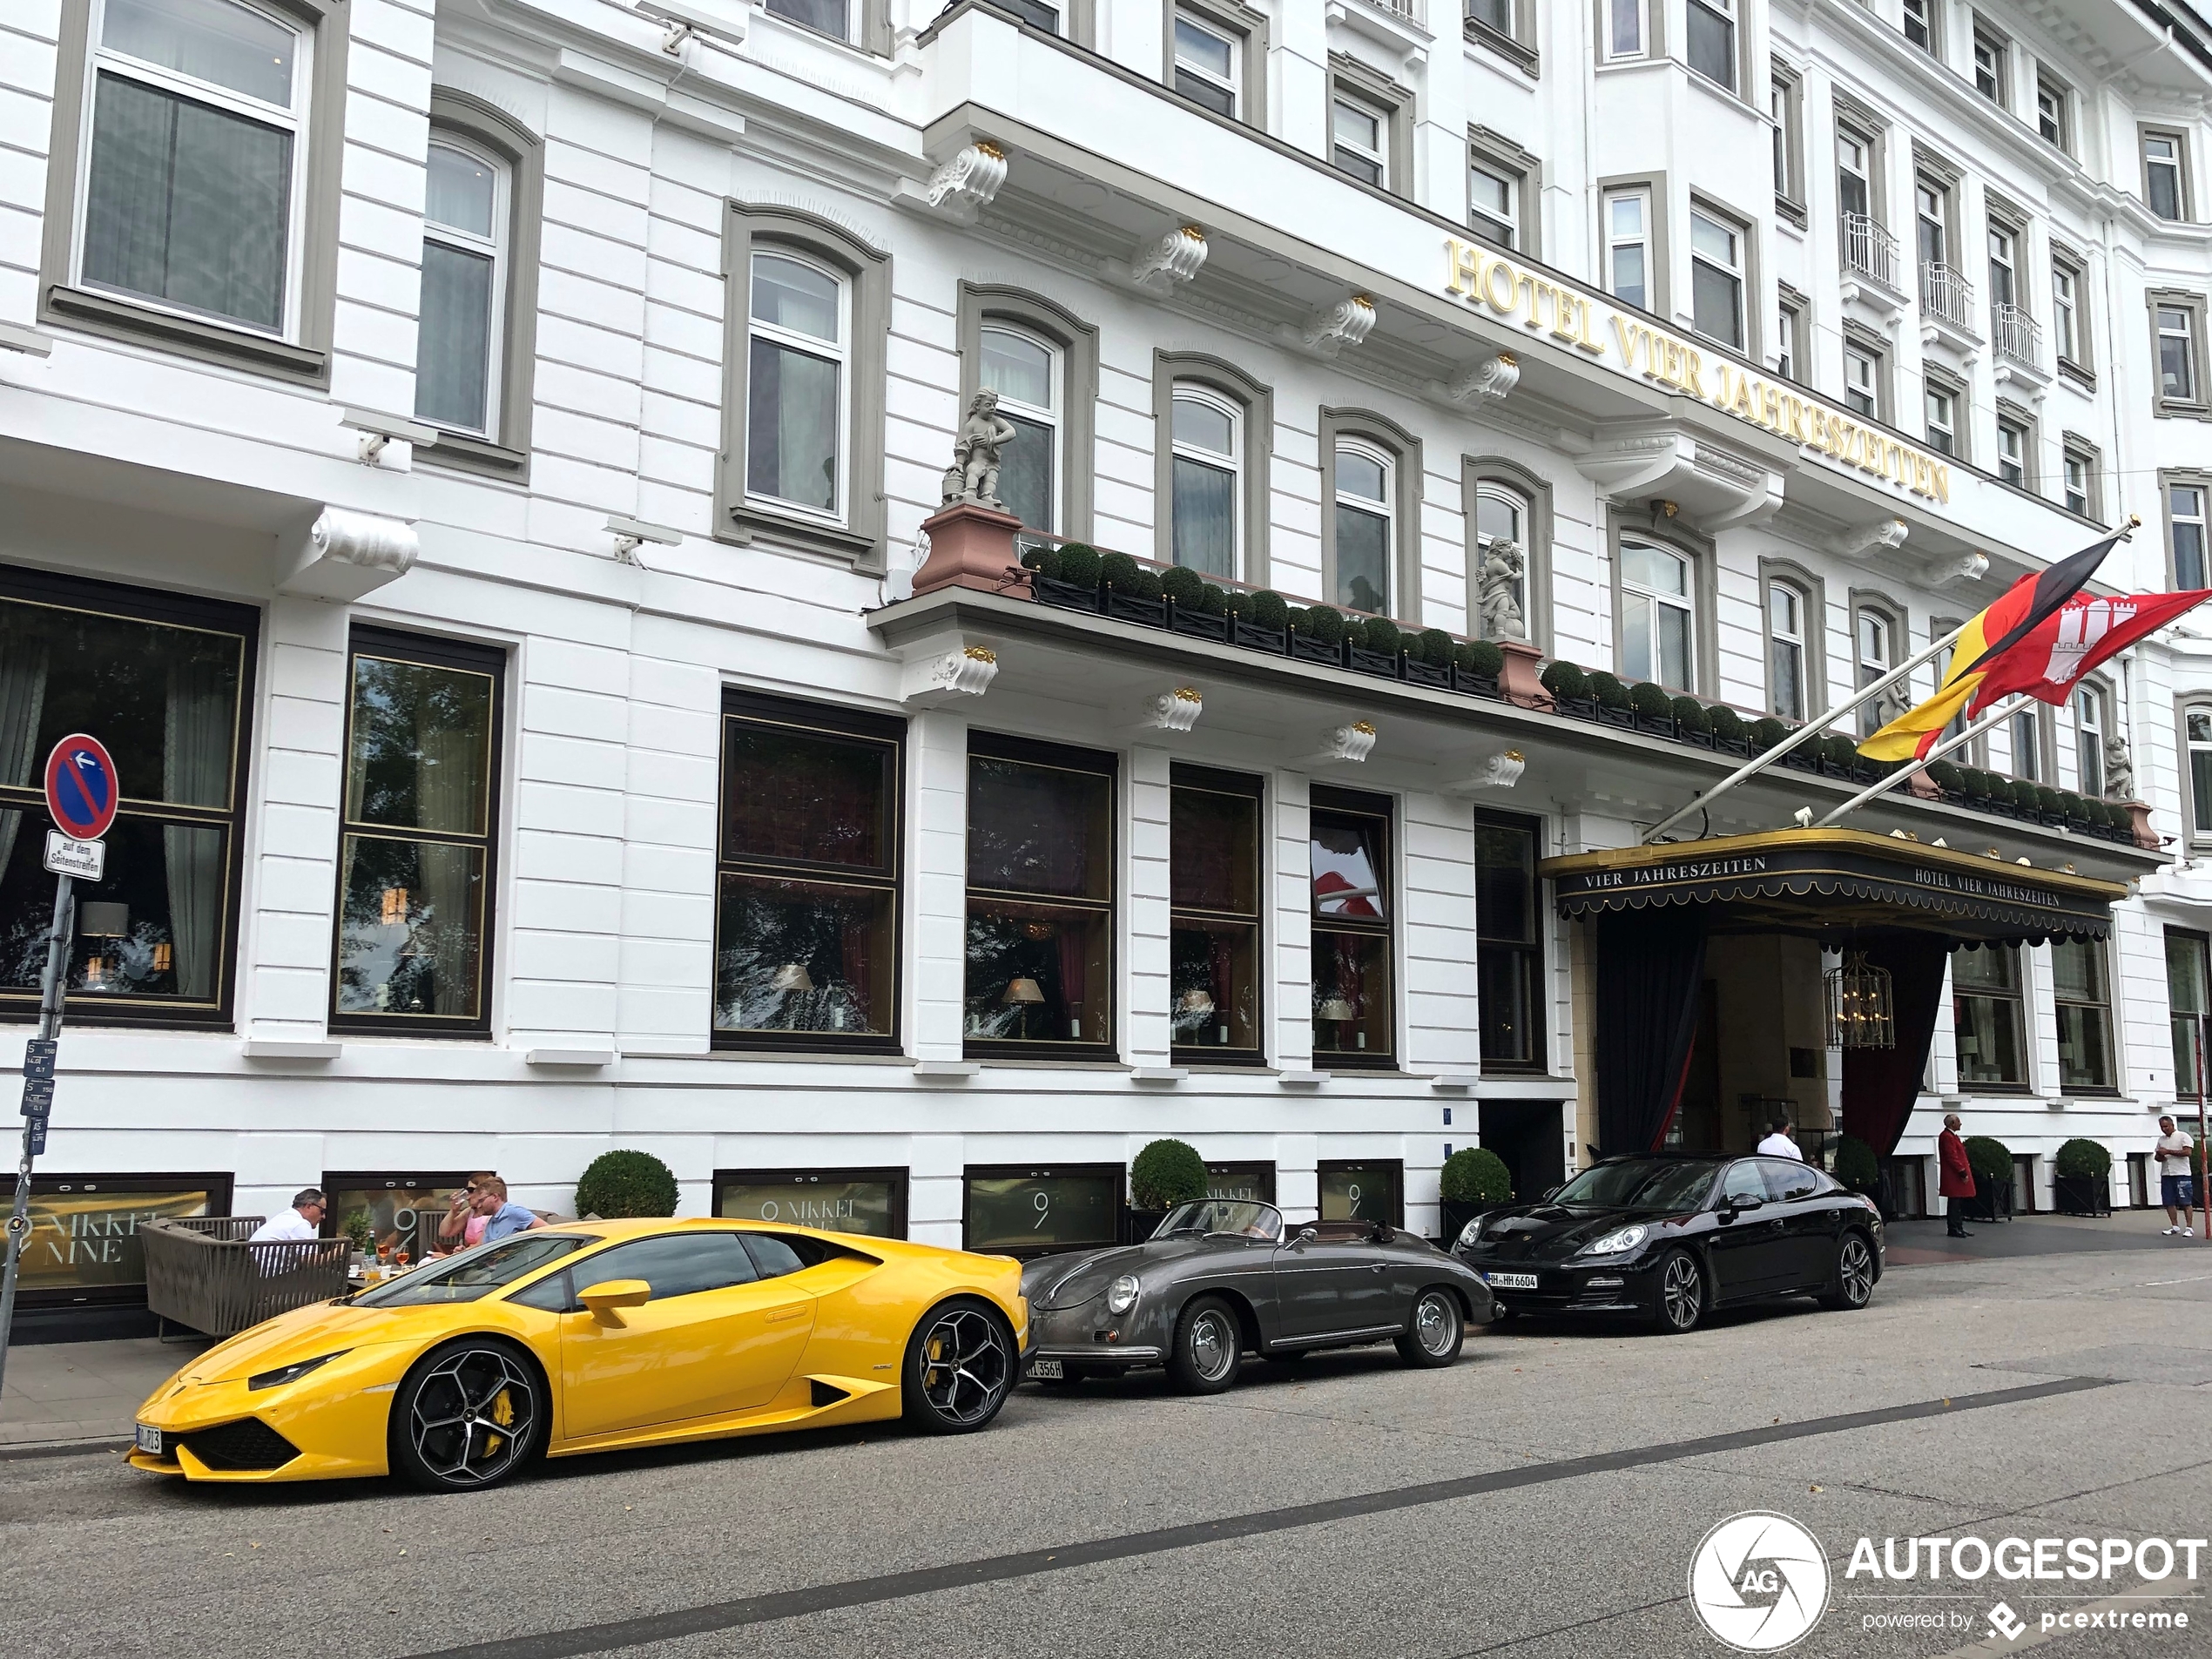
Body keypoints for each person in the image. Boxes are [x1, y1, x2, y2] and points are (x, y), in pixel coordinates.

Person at [436, 1173, 499, 1254]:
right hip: (469, 1255)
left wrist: (452, 1257)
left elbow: (481, 1244)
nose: (467, 1196)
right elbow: (444, 1232)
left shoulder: (490, 1214)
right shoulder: (470, 1211)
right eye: (467, 1191)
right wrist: (453, 1211)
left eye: (471, 1190)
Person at [471, 1177, 547, 1244]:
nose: (479, 1206)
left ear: (495, 1197)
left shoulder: (513, 1212)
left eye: (481, 1201)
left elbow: (549, 1231)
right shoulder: (492, 1221)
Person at [2156, 1116, 2197, 1238]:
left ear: (2172, 1125)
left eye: (2166, 1126)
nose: (2164, 1129)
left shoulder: (2183, 1136)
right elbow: (2158, 1156)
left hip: (2181, 1173)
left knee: (2185, 1201)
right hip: (2167, 1173)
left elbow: (2187, 1152)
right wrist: (2160, 1155)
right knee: (2169, 1201)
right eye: (2162, 1127)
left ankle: (2189, 1227)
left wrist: (2168, 1151)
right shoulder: (2161, 1140)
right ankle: (2175, 1226)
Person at [1938, 1113, 1975, 1238]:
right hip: (1953, 1175)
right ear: (1952, 1124)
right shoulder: (1947, 1137)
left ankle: (1959, 1227)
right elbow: (1951, 1156)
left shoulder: (1952, 1136)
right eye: (1958, 1121)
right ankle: (1954, 1228)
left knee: (1958, 1202)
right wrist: (1962, 1171)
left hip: (1955, 1174)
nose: (1960, 1123)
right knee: (1954, 1202)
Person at [250, 1188, 327, 1244]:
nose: (323, 1216)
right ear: (308, 1206)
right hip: (271, 1266)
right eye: (322, 1211)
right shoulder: (300, 1224)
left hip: (255, 1264)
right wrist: (336, 1252)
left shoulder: (285, 1217)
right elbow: (309, 1261)